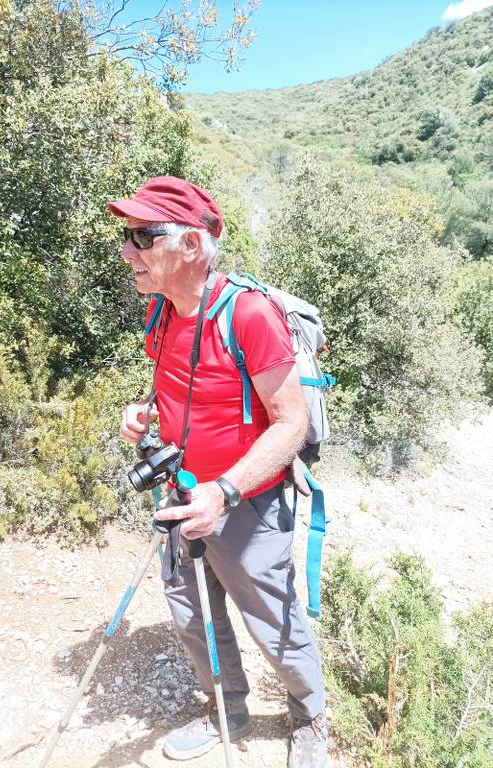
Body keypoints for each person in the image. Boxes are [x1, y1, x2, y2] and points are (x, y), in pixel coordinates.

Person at [109, 176, 327, 768]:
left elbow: (291, 424)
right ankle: (225, 706)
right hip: (180, 493)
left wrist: (225, 491)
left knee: (269, 612)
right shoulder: (162, 312)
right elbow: (182, 387)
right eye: (128, 235)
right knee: (192, 611)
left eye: (143, 236)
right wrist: (143, 412)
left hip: (245, 501)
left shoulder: (249, 315)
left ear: (192, 246)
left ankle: (310, 715)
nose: (127, 250)